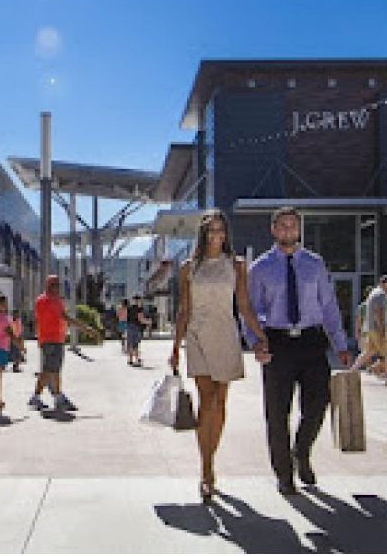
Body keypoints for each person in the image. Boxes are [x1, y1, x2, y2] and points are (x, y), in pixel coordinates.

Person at [245, 206, 351, 496]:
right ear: (273, 230)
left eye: (293, 225)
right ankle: (284, 473)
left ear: (299, 230)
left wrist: (340, 344)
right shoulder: (261, 268)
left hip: (311, 342)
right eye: (283, 225)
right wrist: (256, 342)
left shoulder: (314, 264)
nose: (288, 230)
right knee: (277, 412)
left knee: (318, 405)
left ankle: (301, 451)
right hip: (277, 343)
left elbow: (328, 306)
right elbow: (250, 311)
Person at [171, 209, 268, 503]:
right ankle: (206, 469)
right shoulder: (189, 267)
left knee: (220, 402)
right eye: (211, 230)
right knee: (206, 401)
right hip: (197, 336)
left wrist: (261, 336)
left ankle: (210, 458)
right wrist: (175, 346)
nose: (217, 236)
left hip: (226, 335)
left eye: (221, 230)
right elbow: (184, 309)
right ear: (203, 234)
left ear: (226, 234)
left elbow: (244, 305)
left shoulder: (237, 265)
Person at [28, 275, 100, 411]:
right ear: (50, 285)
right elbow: (64, 317)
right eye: (55, 285)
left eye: (58, 285)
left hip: (55, 339)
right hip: (50, 340)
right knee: (51, 370)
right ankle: (56, 397)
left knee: (50, 370)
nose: (57, 287)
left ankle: (43, 397)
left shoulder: (52, 300)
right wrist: (85, 328)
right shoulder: (46, 300)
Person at [352, 276, 387, 377]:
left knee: (368, 352)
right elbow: (378, 312)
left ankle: (352, 370)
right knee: (385, 352)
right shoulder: (380, 294)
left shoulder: (374, 293)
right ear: (384, 283)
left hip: (370, 328)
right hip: (376, 329)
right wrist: (382, 330)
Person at [126, 295, 149, 367]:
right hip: (136, 327)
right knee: (136, 344)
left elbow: (126, 318)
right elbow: (140, 319)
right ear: (138, 301)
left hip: (129, 326)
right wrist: (148, 322)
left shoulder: (129, 308)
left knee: (130, 343)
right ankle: (137, 359)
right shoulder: (139, 309)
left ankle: (130, 360)